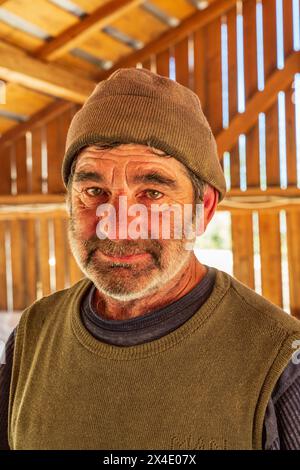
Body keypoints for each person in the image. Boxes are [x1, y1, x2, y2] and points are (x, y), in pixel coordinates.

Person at [1, 68, 300, 450]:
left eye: (152, 194)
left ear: (203, 209)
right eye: (94, 190)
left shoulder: (279, 359)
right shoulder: (34, 333)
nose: (118, 227)